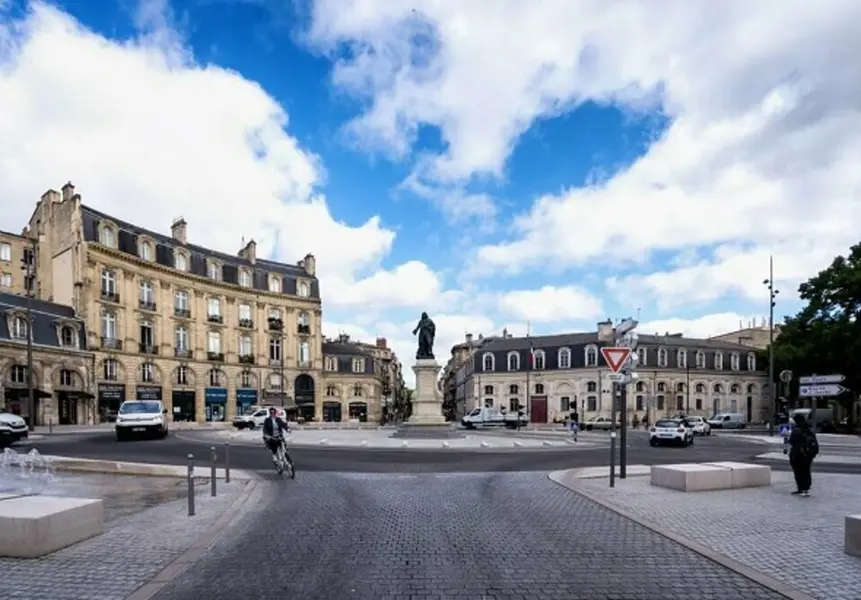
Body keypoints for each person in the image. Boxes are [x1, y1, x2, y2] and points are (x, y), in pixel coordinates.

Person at [788, 413, 818, 496]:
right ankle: (806, 488)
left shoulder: (796, 430)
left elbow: (791, 441)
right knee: (806, 470)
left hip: (798, 454)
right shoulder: (810, 429)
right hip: (808, 454)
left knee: (798, 471)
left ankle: (801, 488)